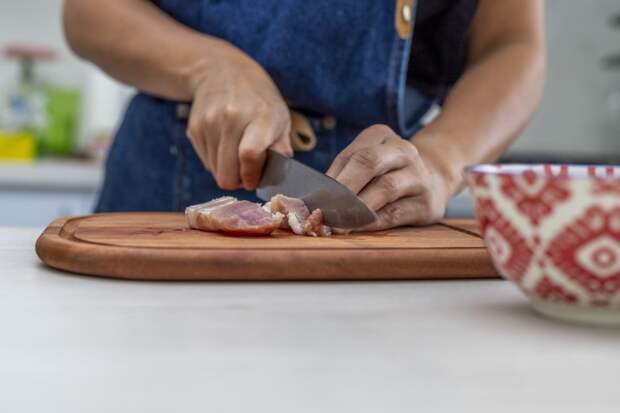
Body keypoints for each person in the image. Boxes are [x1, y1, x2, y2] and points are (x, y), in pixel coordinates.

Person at [63, 0, 545, 231]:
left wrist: (440, 162)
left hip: (378, 207)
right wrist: (210, 67)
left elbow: (511, 45)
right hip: (163, 178)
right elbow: (86, 11)